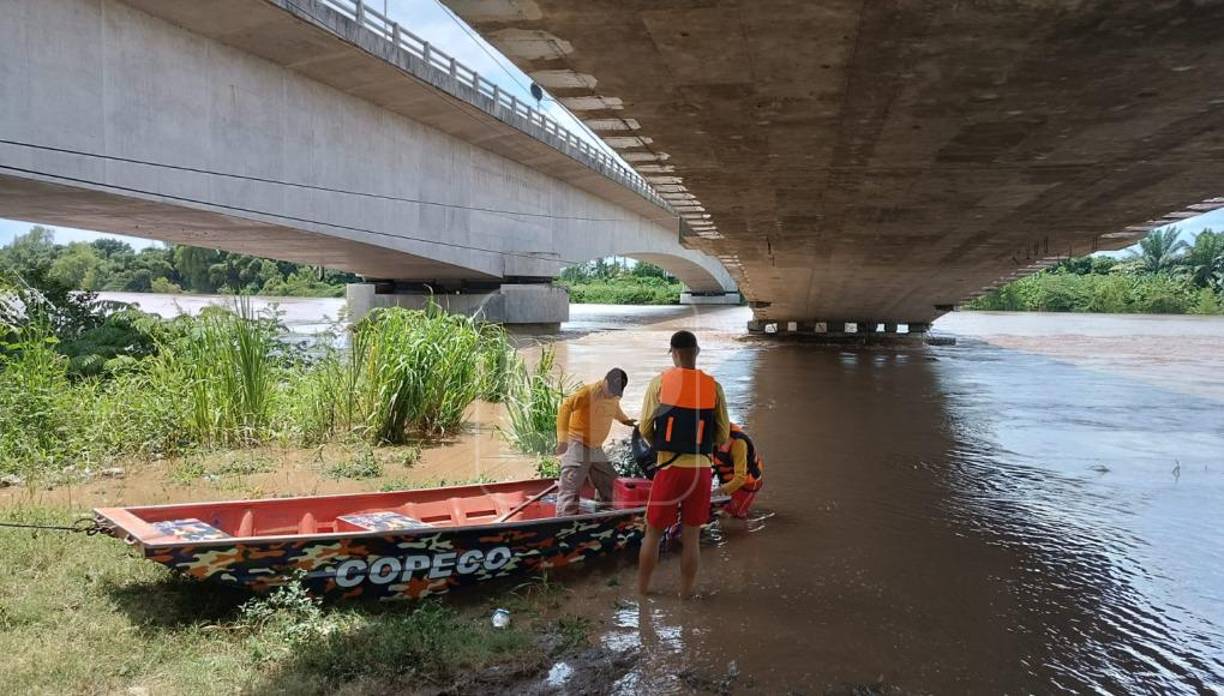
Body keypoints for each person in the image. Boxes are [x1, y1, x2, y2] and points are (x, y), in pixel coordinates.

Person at [637, 330, 729, 598]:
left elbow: (645, 427)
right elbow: (722, 435)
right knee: (691, 537)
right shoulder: (714, 386)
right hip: (700, 471)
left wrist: (663, 445)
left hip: (668, 468)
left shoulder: (659, 383)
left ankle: (643, 594)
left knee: (652, 533)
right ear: (697, 352)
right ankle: (685, 595)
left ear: (673, 353)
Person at [555, 367, 636, 516]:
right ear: (605, 381)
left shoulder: (614, 396)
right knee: (571, 487)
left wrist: (625, 421)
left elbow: (614, 409)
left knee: (611, 483)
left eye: (616, 392)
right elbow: (565, 408)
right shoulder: (588, 392)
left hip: (596, 447)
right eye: (610, 390)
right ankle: (564, 521)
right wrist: (562, 440)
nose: (612, 394)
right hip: (577, 443)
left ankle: (608, 515)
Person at [712, 423, 764, 519]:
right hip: (728, 481)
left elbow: (740, 478)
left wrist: (720, 491)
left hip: (747, 483)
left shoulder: (738, 443)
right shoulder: (713, 440)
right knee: (716, 512)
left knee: (733, 517)